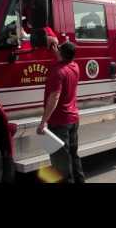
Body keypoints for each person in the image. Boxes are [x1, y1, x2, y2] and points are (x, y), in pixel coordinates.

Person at [36, 42, 85, 184]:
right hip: (73, 119)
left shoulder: (57, 72)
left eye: (58, 50)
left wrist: (43, 121)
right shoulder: (75, 66)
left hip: (59, 122)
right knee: (73, 155)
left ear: (61, 53)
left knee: (61, 163)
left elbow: (54, 98)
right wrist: (57, 51)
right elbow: (62, 58)